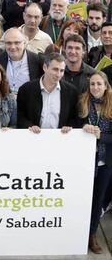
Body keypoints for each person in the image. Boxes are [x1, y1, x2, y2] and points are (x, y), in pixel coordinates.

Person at [79, 71, 112, 254]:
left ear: (106, 86)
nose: (96, 87)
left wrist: (103, 136)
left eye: (99, 84)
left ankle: (92, 235)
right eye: (93, 84)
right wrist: (82, 127)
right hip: (83, 161)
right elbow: (73, 124)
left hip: (105, 162)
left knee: (97, 201)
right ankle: (77, 232)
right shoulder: (82, 101)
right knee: (82, 198)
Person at [17, 53, 79, 132]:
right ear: (45, 67)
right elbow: (20, 117)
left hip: (61, 139)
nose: (58, 74)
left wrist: (69, 127)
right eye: (55, 69)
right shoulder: (26, 89)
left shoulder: (71, 92)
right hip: (34, 138)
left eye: (62, 70)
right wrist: (30, 126)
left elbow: (74, 118)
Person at [0, 28, 43, 95]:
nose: (13, 47)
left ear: (24, 42)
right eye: (9, 43)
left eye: (17, 43)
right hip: (4, 102)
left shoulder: (36, 60)